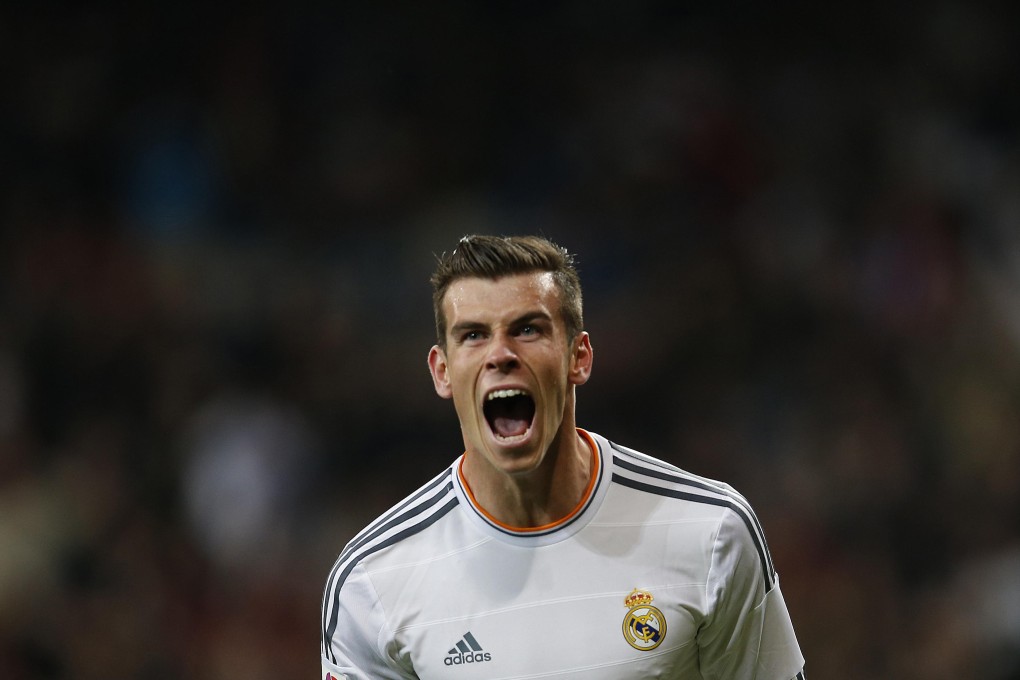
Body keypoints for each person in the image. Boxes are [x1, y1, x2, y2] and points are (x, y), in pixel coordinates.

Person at [320, 234, 805, 679]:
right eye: (473, 335)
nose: (500, 354)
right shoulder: (373, 579)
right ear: (442, 371)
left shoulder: (712, 532)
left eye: (528, 329)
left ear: (579, 357)